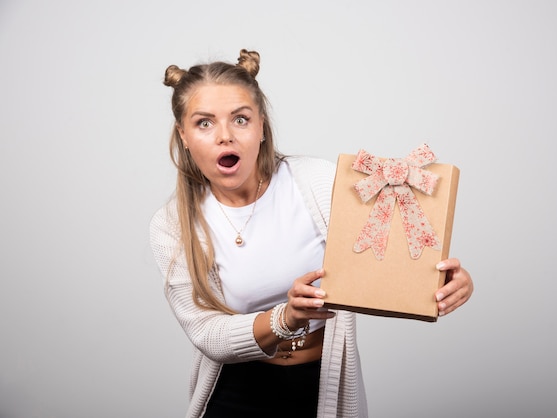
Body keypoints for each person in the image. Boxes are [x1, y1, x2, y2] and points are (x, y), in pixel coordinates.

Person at [150, 48, 474, 418]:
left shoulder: (318, 182)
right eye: (204, 123)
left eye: (240, 119)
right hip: (234, 394)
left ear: (261, 127)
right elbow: (207, 334)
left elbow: (393, 249)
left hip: (322, 387)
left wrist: (445, 280)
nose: (225, 136)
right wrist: (285, 318)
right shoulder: (172, 224)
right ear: (184, 135)